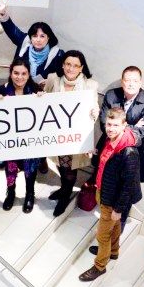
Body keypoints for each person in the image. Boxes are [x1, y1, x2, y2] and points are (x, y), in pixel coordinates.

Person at [86, 66, 144, 256]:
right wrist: (128, 126)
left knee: (124, 196)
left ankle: (111, 245)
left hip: (133, 153)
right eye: (127, 80)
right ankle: (111, 244)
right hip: (109, 151)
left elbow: (140, 132)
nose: (131, 84)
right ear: (122, 80)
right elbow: (105, 123)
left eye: (135, 80)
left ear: (141, 82)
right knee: (107, 189)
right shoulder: (111, 95)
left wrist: (120, 127)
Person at [79, 108, 141, 282]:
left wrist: (118, 209)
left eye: (115, 125)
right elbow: (101, 163)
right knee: (113, 227)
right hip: (103, 190)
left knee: (102, 235)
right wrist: (93, 153)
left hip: (113, 199)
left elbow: (128, 185)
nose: (111, 128)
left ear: (124, 125)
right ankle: (113, 252)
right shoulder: (109, 139)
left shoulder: (129, 152)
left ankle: (100, 266)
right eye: (108, 124)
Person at [44, 50, 101, 217]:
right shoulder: (53, 79)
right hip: (56, 133)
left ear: (81, 68)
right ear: (63, 65)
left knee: (69, 167)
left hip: (75, 136)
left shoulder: (90, 85)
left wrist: (94, 112)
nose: (71, 68)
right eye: (68, 64)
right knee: (59, 162)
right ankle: (64, 189)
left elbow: (94, 106)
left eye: (76, 65)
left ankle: (65, 195)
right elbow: (44, 101)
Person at [0, 58, 41, 214]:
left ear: (28, 74)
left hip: (30, 139)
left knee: (30, 168)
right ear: (10, 73)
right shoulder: (1, 90)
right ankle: (11, 192)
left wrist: (43, 99)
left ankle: (30, 194)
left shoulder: (35, 90)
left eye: (23, 73)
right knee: (10, 167)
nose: (19, 77)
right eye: (16, 73)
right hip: (10, 140)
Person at [0, 5, 64, 86]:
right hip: (18, 87)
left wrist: (49, 82)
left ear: (48, 37)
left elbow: (62, 76)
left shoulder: (57, 54)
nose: (38, 40)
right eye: (35, 36)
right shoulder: (24, 42)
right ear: (30, 38)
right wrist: (2, 13)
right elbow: (12, 29)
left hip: (44, 91)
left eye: (42, 36)